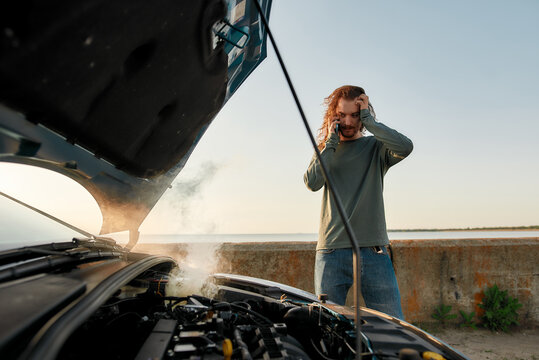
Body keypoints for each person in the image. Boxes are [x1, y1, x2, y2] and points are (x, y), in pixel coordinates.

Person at [303, 85, 413, 319]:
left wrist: (370, 122)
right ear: (333, 115)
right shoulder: (326, 149)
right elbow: (312, 182)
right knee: (325, 327)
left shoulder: (376, 147)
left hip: (374, 251)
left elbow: (405, 147)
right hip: (331, 251)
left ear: (363, 113)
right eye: (342, 115)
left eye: (355, 114)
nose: (349, 122)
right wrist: (331, 142)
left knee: (393, 326)